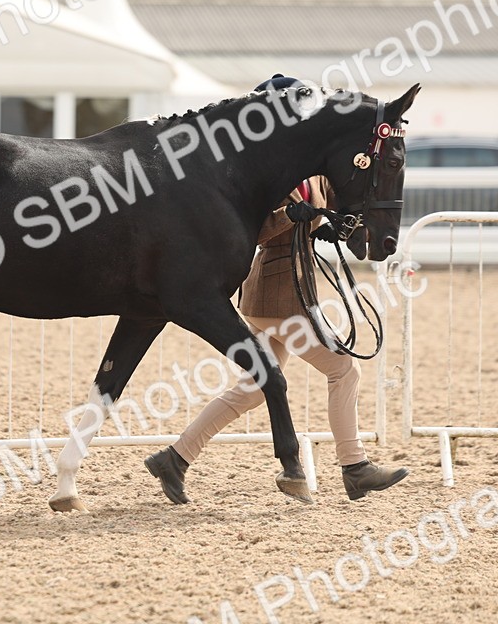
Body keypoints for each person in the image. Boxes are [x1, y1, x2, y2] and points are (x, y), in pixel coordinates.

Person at [146, 175, 408, 503]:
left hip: (291, 293)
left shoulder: (318, 177)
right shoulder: (277, 171)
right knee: (343, 369)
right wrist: (289, 216)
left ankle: (175, 458)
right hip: (276, 295)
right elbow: (254, 229)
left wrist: (333, 227)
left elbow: (336, 207)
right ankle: (355, 467)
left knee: (252, 390)